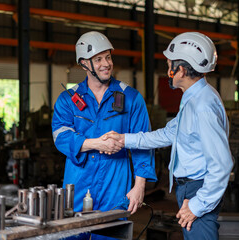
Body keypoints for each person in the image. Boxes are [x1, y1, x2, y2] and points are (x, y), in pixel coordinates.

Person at [103, 32, 234, 240]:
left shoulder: (202, 106)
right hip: (192, 189)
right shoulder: (194, 98)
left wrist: (197, 205)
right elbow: (168, 134)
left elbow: (222, 164)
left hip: (199, 190)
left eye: (169, 65)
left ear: (180, 69)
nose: (168, 70)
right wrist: (124, 139)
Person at [51, 31, 157, 230]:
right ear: (83, 63)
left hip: (115, 186)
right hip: (78, 184)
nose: (106, 63)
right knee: (74, 234)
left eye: (108, 57)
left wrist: (139, 186)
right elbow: (60, 136)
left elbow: (144, 143)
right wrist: (97, 143)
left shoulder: (131, 98)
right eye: (98, 59)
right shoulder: (68, 100)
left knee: (111, 234)